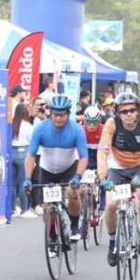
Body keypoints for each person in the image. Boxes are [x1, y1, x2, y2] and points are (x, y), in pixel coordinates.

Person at [98, 92, 140, 264]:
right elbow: (103, 150)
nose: (129, 114)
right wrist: (102, 177)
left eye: (132, 110)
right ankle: (112, 242)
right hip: (117, 167)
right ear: (117, 113)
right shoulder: (111, 124)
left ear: (138, 111)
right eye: (124, 111)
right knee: (110, 204)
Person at [22, 95, 88, 242]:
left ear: (68, 114)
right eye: (55, 114)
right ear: (50, 113)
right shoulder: (40, 129)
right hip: (47, 170)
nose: (58, 118)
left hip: (69, 168)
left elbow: (83, 157)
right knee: (46, 206)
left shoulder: (76, 130)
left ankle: (75, 226)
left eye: (62, 115)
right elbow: (31, 156)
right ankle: (52, 237)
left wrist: (78, 176)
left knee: (72, 193)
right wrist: (27, 178)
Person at [11, 103, 36, 218]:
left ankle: (12, 209)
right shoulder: (27, 125)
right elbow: (32, 142)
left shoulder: (11, 124)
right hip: (24, 153)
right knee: (23, 183)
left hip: (11, 152)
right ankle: (24, 209)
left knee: (11, 184)